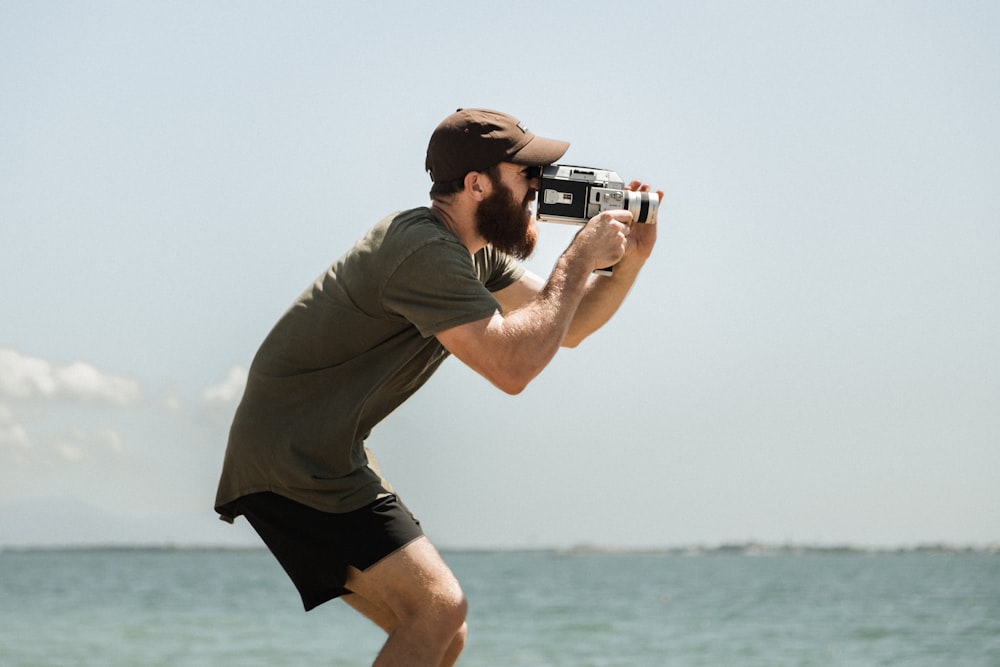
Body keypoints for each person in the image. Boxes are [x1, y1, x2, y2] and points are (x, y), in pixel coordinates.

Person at [214, 108, 662, 666]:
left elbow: (565, 328)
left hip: (323, 453)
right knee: (437, 611)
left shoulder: (472, 257)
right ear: (476, 184)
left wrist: (628, 264)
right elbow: (512, 368)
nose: (539, 188)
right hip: (291, 454)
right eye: (526, 174)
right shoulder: (423, 249)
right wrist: (577, 258)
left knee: (443, 631)